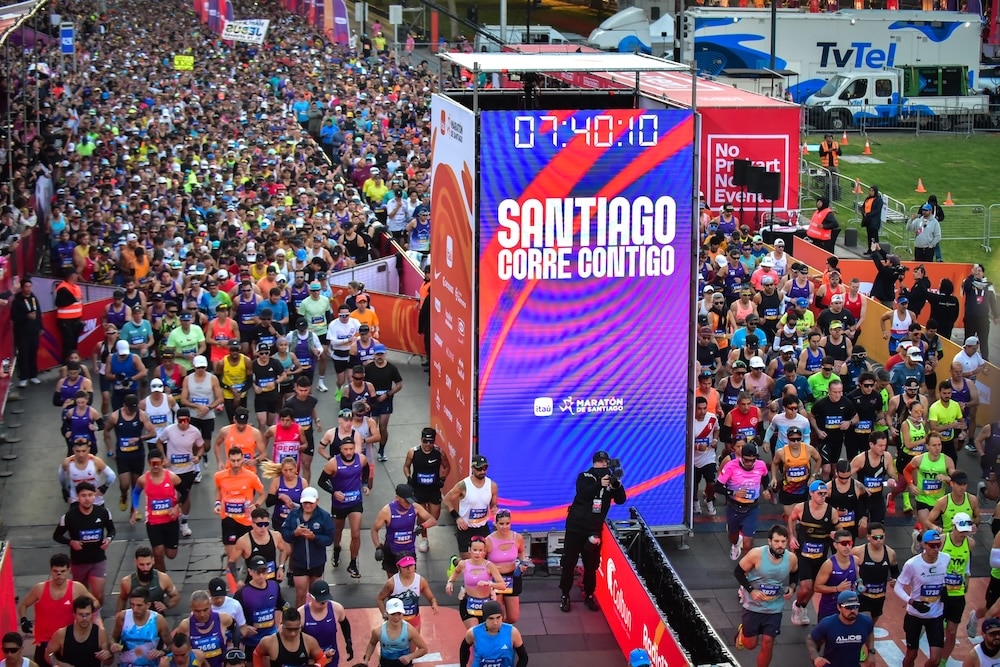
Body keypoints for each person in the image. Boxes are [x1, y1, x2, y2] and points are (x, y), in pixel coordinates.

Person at [557, 450, 627, 612]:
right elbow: (583, 494)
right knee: (569, 562)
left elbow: (621, 500)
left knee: (591, 564)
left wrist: (616, 485)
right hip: (575, 528)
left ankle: (589, 594)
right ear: (594, 463)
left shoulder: (611, 479)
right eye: (600, 462)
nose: (603, 464)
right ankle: (565, 594)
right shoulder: (585, 476)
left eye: (605, 462)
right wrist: (599, 484)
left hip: (593, 529)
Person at [733, 525, 798, 666]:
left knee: (768, 643)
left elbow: (795, 573)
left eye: (783, 541)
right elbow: (738, 572)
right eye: (776, 541)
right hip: (753, 606)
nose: (780, 545)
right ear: (769, 541)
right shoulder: (756, 554)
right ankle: (742, 631)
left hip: (774, 607)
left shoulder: (791, 558)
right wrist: (752, 591)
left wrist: (792, 588)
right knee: (750, 645)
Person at [17, 554, 96, 667]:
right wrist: (23, 620)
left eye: (63, 571)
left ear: (69, 570)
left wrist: (84, 613)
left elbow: (95, 603)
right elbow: (23, 605)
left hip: (67, 642)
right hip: (44, 642)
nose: (59, 575)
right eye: (55, 571)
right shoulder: (40, 588)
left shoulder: (77, 588)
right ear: (51, 570)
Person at [52, 482, 115, 608]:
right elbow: (56, 536)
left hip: (98, 559)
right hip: (78, 562)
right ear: (78, 497)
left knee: (98, 594)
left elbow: (112, 530)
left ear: (94, 496)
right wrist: (70, 542)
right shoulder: (69, 516)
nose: (87, 499)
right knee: (81, 595)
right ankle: (82, 617)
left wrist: (108, 539)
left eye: (90, 495)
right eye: (83, 495)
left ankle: (96, 616)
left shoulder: (103, 512)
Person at [788, 480, 840, 627]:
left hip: (821, 555)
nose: (823, 496)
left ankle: (803, 607)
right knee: (806, 587)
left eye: (825, 494)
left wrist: (836, 535)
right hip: (803, 554)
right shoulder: (800, 508)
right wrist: (792, 536)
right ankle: (797, 605)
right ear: (811, 493)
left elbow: (840, 530)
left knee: (815, 587)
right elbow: (791, 520)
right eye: (819, 494)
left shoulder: (832, 511)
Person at [895, 529, 950, 667]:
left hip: (936, 615)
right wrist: (912, 601)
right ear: (924, 545)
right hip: (915, 615)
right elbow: (898, 586)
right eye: (932, 545)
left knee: (935, 659)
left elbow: (947, 579)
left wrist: (945, 591)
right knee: (911, 654)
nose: (936, 549)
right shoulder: (912, 564)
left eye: (939, 545)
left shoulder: (946, 559)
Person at [319, 430, 369, 578]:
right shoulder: (333, 463)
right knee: (338, 531)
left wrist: (365, 484)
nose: (348, 452)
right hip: (339, 504)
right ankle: (336, 549)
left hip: (355, 502)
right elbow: (321, 481)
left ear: (355, 448)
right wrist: (334, 492)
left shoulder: (361, 459)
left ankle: (353, 564)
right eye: (346, 449)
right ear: (340, 449)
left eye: (351, 449)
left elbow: (365, 469)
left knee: (355, 533)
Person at [280, 487, 334, 608]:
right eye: (305, 502)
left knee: (315, 594)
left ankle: (314, 616)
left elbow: (329, 539)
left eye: (310, 502)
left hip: (317, 562)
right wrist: (295, 533)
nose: (308, 505)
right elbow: (285, 535)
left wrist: (314, 537)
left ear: (317, 501)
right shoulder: (293, 515)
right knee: (300, 593)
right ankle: (299, 618)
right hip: (299, 561)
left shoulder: (324, 516)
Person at [154, 407, 204, 538]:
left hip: (188, 469)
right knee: (173, 495)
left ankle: (185, 522)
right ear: (177, 420)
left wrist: (198, 456)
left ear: (189, 419)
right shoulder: (169, 430)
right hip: (172, 470)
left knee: (185, 494)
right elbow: (159, 442)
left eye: (186, 420)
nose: (183, 423)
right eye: (180, 421)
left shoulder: (195, 431)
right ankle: (172, 519)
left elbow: (201, 446)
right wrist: (164, 457)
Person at [718, 442, 772, 563]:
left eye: (752, 460)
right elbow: (718, 487)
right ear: (741, 457)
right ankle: (735, 544)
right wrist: (733, 493)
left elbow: (765, 478)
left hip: (752, 509)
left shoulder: (761, 465)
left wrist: (767, 490)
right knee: (733, 537)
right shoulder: (731, 466)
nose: (749, 463)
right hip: (733, 507)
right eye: (746, 460)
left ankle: (746, 571)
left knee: (748, 543)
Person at [371, 484, 436, 578]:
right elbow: (374, 529)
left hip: (408, 550)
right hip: (391, 550)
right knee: (392, 582)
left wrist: (422, 526)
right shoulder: (386, 511)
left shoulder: (415, 507)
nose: (408, 504)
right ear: (397, 498)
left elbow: (432, 520)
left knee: (410, 579)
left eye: (410, 501)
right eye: (406, 501)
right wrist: (378, 547)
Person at [214, 446, 265, 565]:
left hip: (246, 521)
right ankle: (232, 583)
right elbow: (218, 489)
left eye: (238, 460)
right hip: (228, 519)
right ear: (228, 459)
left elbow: (263, 494)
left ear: (243, 459)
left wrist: (256, 506)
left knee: (249, 557)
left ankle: (248, 580)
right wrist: (217, 503)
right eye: (233, 461)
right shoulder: (219, 476)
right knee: (232, 559)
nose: (236, 464)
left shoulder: (251, 476)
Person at [443, 454, 499, 559]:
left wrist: (495, 510)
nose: (482, 471)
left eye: (485, 468)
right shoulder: (463, 485)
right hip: (465, 528)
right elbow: (446, 500)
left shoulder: (492, 486)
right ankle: (455, 562)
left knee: (482, 560)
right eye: (479, 469)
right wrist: (457, 518)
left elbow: (493, 505)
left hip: (482, 527)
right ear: (472, 468)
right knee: (468, 563)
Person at [403, 427, 450, 548]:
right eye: (425, 441)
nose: (428, 444)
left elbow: (446, 467)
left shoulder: (439, 453)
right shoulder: (413, 452)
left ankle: (421, 526)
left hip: (433, 489)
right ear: (421, 440)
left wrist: (442, 479)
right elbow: (406, 466)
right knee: (422, 516)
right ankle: (424, 539)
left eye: (431, 442)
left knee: (434, 518)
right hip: (418, 490)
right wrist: (408, 477)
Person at [234, 555, 289, 654]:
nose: (261, 576)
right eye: (257, 572)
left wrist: (283, 622)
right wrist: (243, 627)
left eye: (264, 572)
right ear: (250, 572)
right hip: (251, 642)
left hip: (271, 638)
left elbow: (282, 604)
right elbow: (233, 616)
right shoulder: (242, 593)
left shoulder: (274, 586)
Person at [805, 590, 875, 667]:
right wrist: (816, 657)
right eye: (848, 607)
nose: (853, 610)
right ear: (839, 607)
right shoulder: (828, 624)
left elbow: (870, 632)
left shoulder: (865, 621)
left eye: (856, 606)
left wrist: (871, 651)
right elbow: (810, 639)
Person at [941, 512, 975, 666]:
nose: (963, 534)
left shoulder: (970, 543)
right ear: (953, 526)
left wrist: (967, 579)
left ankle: (942, 661)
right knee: (930, 628)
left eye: (966, 531)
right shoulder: (942, 540)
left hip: (957, 592)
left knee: (952, 631)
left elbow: (967, 563)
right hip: (940, 591)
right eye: (961, 531)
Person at [171, 590, 238, 667]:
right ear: (191, 607)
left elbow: (236, 629)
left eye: (205, 610)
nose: (202, 614)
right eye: (197, 611)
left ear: (210, 605)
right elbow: (178, 648)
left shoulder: (223, 618)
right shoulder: (185, 625)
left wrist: (233, 645)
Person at [110, 586, 172, 667]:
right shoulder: (122, 617)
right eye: (132, 604)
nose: (135, 609)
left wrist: (162, 652)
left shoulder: (158, 620)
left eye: (139, 605)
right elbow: (114, 637)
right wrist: (113, 645)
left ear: (148, 605)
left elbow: (171, 644)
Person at [485, 509, 529, 623]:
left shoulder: (517, 537)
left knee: (513, 617)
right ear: (495, 523)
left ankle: (504, 629)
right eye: (501, 524)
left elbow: (521, 552)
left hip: (513, 577)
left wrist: (523, 562)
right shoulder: (488, 541)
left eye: (507, 523)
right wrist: (490, 569)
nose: (505, 527)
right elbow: (481, 561)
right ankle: (499, 635)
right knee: (497, 614)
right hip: (495, 578)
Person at [851, 522, 899, 625]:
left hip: (879, 596)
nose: (878, 540)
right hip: (862, 596)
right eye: (875, 537)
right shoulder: (859, 551)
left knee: (870, 627)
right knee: (866, 623)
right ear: (868, 537)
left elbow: (895, 572)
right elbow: (845, 564)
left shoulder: (890, 553)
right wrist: (857, 581)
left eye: (881, 537)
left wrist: (894, 580)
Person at [229, 507, 290, 587]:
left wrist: (281, 567)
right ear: (252, 524)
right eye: (259, 524)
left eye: (266, 524)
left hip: (271, 579)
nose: (263, 528)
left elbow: (284, 550)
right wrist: (237, 580)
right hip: (251, 582)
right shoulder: (244, 541)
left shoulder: (276, 536)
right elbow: (231, 561)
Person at [44, 596, 112, 667]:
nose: (84, 618)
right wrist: (59, 664)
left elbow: (108, 662)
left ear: (92, 614)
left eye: (87, 614)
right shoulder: (62, 634)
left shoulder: (100, 633)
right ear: (74, 614)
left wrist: (108, 656)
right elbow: (48, 654)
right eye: (81, 614)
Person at [458, 600, 528, 667]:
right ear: (485, 619)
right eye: (491, 618)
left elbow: (523, 657)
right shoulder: (473, 633)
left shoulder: (512, 632)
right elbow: (463, 650)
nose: (495, 622)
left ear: (502, 617)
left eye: (498, 617)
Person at [299, 580, 354, 666]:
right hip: (311, 660)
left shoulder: (337, 608)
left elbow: (345, 624)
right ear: (310, 597)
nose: (323, 603)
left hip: (331, 658)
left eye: (326, 599)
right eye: (320, 600)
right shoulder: (301, 613)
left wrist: (348, 642)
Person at [375, 555, 438, 630]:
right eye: (405, 566)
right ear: (399, 567)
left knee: (414, 641)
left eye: (411, 565)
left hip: (413, 619)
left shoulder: (421, 581)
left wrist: (434, 604)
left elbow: (431, 598)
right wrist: (385, 615)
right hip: (396, 622)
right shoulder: (392, 583)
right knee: (396, 641)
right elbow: (379, 598)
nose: (409, 569)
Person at [362, 598, 428, 666]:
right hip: (385, 664)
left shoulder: (410, 630)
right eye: (393, 614)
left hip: (403, 665)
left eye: (399, 614)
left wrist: (410, 657)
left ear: (403, 613)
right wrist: (366, 659)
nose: (396, 618)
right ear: (387, 613)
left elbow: (424, 649)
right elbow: (372, 643)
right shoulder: (378, 631)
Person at [115, 546, 180, 615]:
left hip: (156, 621)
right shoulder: (127, 582)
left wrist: (166, 605)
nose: (145, 568)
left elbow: (175, 596)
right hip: (135, 621)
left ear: (153, 561)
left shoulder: (163, 578)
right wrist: (119, 616)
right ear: (135, 562)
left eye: (148, 564)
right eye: (141, 564)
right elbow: (122, 599)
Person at [366, 344, 403, 461]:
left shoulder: (391, 368)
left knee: (383, 427)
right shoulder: (368, 368)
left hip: (386, 402)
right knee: (372, 427)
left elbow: (399, 385)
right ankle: (369, 450)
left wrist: (387, 394)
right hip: (372, 402)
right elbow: (363, 383)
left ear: (385, 354)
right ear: (374, 355)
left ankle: (381, 450)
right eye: (378, 354)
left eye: (382, 354)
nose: (380, 356)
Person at [813, 528, 859, 623]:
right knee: (825, 636)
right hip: (830, 608)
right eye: (843, 543)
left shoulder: (855, 560)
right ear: (835, 545)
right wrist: (837, 588)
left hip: (849, 607)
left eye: (849, 543)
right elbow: (817, 587)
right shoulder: (829, 564)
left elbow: (858, 578)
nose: (847, 546)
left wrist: (860, 585)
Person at [10, 277, 42, 387]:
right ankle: (23, 377)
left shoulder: (33, 298)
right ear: (22, 288)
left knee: (33, 354)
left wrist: (40, 327)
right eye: (26, 287)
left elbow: (38, 313)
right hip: (22, 333)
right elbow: (14, 317)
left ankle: (33, 375)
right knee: (23, 355)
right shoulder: (17, 301)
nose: (28, 289)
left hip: (34, 332)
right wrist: (26, 317)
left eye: (29, 286)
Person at [962, 263, 997, 360]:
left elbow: (993, 301)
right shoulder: (969, 282)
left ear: (983, 273)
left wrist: (996, 315)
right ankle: (964, 359)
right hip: (970, 318)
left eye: (979, 270)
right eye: (975, 270)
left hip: (983, 319)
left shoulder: (988, 286)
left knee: (983, 341)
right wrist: (971, 276)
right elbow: (966, 288)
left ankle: (985, 361)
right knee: (968, 340)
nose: (977, 272)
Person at [54, 269, 83, 365]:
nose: (77, 277)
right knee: (68, 343)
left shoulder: (76, 287)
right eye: (76, 275)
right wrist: (74, 299)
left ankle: (74, 360)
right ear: (71, 276)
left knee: (74, 342)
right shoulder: (63, 288)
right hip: (66, 321)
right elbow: (59, 302)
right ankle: (67, 363)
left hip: (76, 319)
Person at [860, 185, 883, 251]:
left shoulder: (879, 200)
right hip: (868, 221)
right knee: (869, 236)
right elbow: (863, 207)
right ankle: (869, 250)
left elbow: (877, 210)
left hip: (874, 221)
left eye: (872, 191)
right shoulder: (868, 199)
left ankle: (875, 250)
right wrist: (864, 213)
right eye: (870, 190)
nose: (870, 192)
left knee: (874, 237)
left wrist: (868, 214)